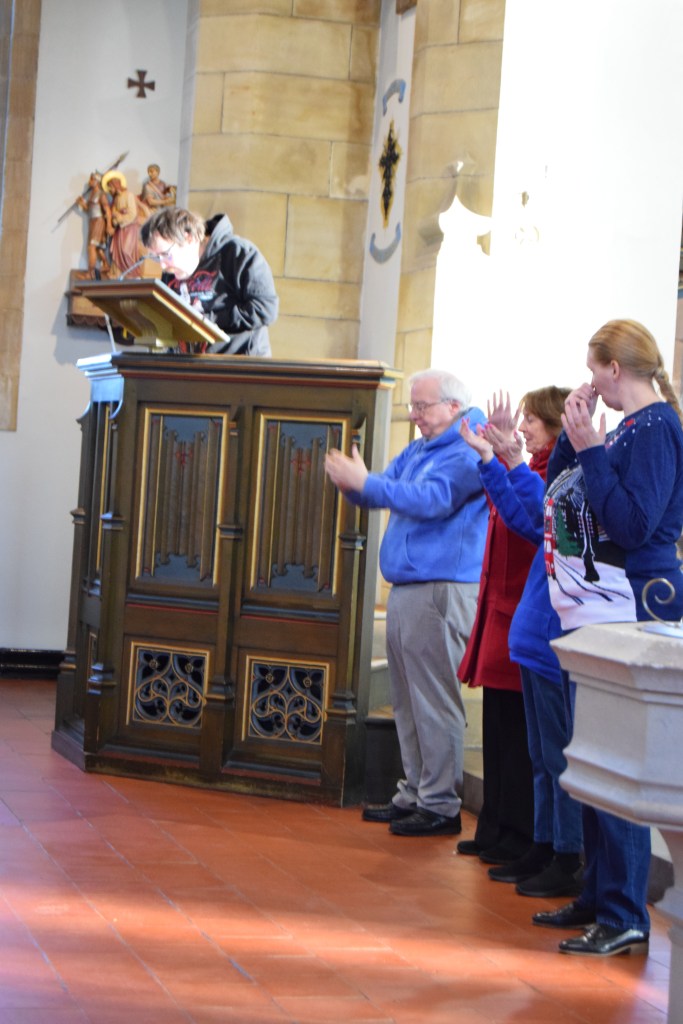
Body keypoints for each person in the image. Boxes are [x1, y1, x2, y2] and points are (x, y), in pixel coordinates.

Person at [539, 318, 683, 957]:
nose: (589, 381)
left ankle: (625, 911)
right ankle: (599, 894)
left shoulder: (657, 428)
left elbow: (630, 525)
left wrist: (592, 450)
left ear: (615, 368)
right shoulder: (626, 427)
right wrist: (576, 442)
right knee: (594, 756)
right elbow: (562, 496)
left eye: (593, 369)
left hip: (637, 603)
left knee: (618, 759)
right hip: (600, 609)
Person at [324, 369, 488, 836]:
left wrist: (367, 483)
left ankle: (440, 803)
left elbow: (432, 499)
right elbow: (383, 487)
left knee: (434, 701)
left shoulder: (467, 448)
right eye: (412, 406)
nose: (414, 415)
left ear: (453, 407)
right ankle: (415, 791)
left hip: (440, 588)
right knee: (407, 702)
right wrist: (354, 484)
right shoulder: (420, 448)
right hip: (408, 587)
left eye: (422, 406)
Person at [460, 389, 584, 899]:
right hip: (529, 627)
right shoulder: (545, 472)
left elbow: (538, 522)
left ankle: (563, 852)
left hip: (547, 627)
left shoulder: (567, 474)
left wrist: (503, 460)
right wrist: (496, 461)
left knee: (553, 755)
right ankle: (543, 843)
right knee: (538, 754)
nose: (525, 425)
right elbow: (520, 516)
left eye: (533, 418)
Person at [140, 207, 278, 356]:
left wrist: (207, 320)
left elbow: (265, 309)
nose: (162, 265)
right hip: (188, 364)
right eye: (156, 257)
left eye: (166, 254)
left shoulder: (238, 253)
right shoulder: (171, 270)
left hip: (239, 364)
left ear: (189, 238)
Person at [101, 170, 149, 278]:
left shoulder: (129, 195)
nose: (110, 190)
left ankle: (132, 274)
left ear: (116, 185)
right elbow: (114, 214)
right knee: (116, 252)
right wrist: (116, 220)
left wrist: (120, 217)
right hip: (119, 230)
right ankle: (118, 273)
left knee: (126, 250)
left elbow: (133, 213)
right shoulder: (116, 199)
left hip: (130, 228)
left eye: (110, 187)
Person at [76, 172, 111, 278]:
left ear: (97, 181)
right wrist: (82, 204)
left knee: (91, 247)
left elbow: (107, 210)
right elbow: (90, 210)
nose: (89, 182)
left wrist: (109, 225)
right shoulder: (92, 194)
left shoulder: (101, 194)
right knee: (97, 247)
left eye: (91, 179)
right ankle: (106, 265)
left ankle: (90, 273)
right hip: (92, 221)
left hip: (99, 222)